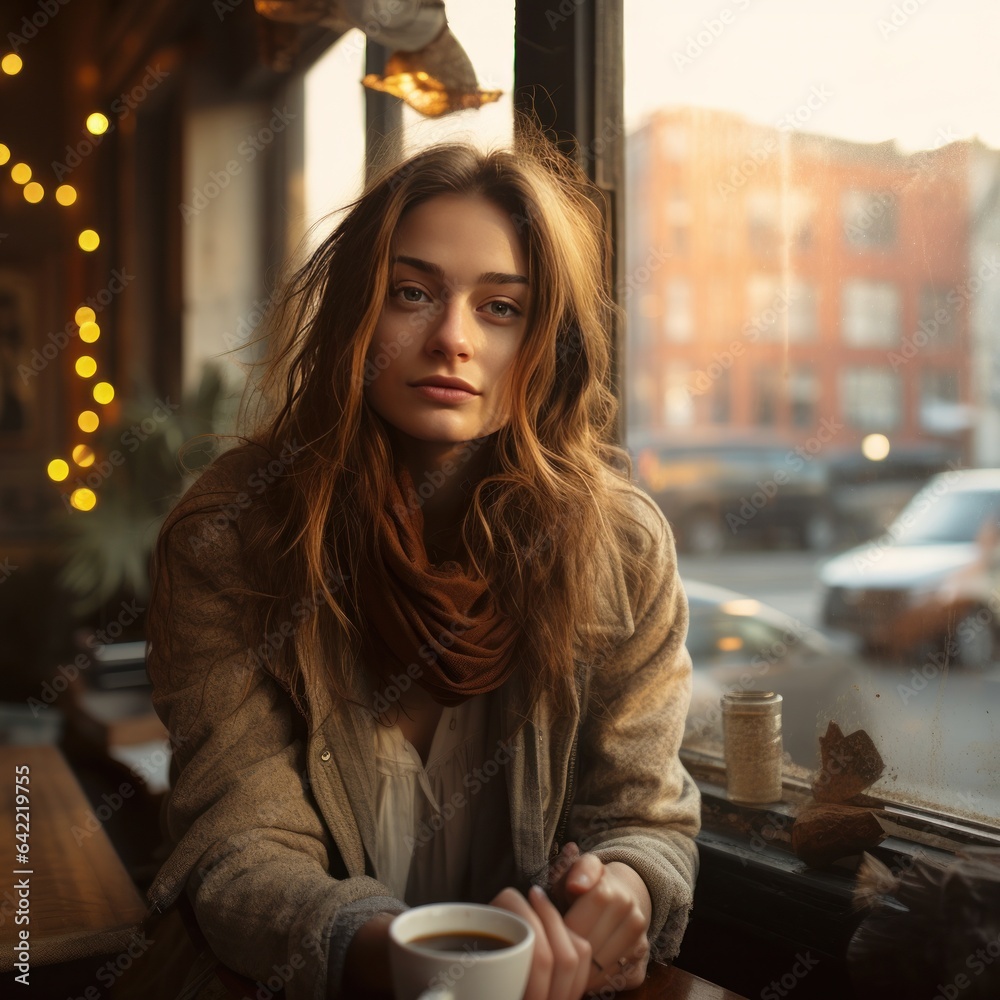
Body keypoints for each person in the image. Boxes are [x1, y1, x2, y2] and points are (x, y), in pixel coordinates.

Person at [140, 130, 700, 1000]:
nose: (452, 339)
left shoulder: (621, 549)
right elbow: (237, 845)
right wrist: (398, 961)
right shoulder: (232, 536)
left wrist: (624, 888)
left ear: (545, 342)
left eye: (500, 307)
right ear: (355, 315)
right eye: (411, 294)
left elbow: (643, 816)